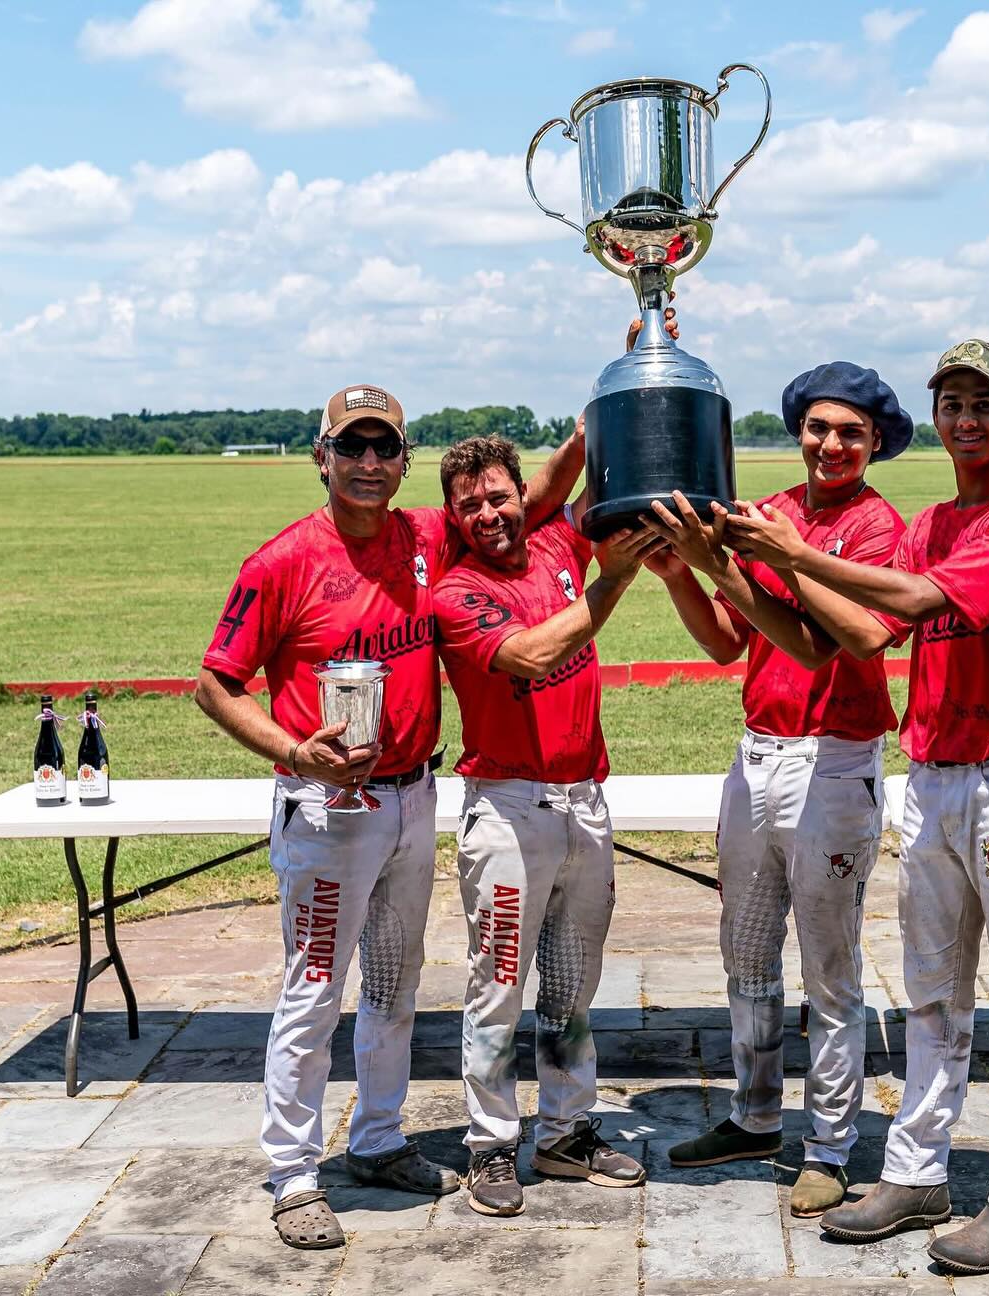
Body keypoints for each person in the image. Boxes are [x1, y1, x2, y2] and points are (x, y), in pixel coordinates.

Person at [196, 384, 584, 1249]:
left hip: (413, 795)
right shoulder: (281, 561)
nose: (369, 464)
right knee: (312, 991)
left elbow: (542, 496)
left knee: (396, 985)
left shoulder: (425, 534)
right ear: (321, 455)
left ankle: (376, 1138)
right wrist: (295, 751)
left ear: (404, 461)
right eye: (352, 447)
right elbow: (214, 683)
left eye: (385, 449)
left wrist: (600, 413)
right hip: (329, 804)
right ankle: (295, 1173)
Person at [726, 339, 989, 1276]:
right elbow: (860, 632)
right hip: (934, 773)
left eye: (984, 405)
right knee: (930, 992)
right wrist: (742, 565)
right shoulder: (925, 523)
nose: (968, 421)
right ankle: (918, 1170)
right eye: (953, 404)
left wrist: (793, 551)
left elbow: (917, 600)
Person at [640, 363, 911, 1219]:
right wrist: (685, 570)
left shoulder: (876, 527)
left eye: (852, 434)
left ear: (875, 444)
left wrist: (761, 565)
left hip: (836, 758)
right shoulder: (773, 513)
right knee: (747, 953)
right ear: (799, 429)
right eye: (819, 428)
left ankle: (829, 1144)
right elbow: (730, 646)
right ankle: (756, 1116)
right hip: (758, 751)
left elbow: (828, 646)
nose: (832, 446)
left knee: (829, 968)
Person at [433, 434, 664, 1217]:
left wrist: (623, 375)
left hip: (583, 802)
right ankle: (491, 1146)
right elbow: (532, 655)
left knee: (572, 987)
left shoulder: (559, 537)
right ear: (454, 518)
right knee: (497, 983)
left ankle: (566, 1132)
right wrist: (614, 584)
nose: (489, 514)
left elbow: (576, 458)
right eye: (470, 506)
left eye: (499, 496)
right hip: (507, 807)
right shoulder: (455, 592)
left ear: (520, 493)